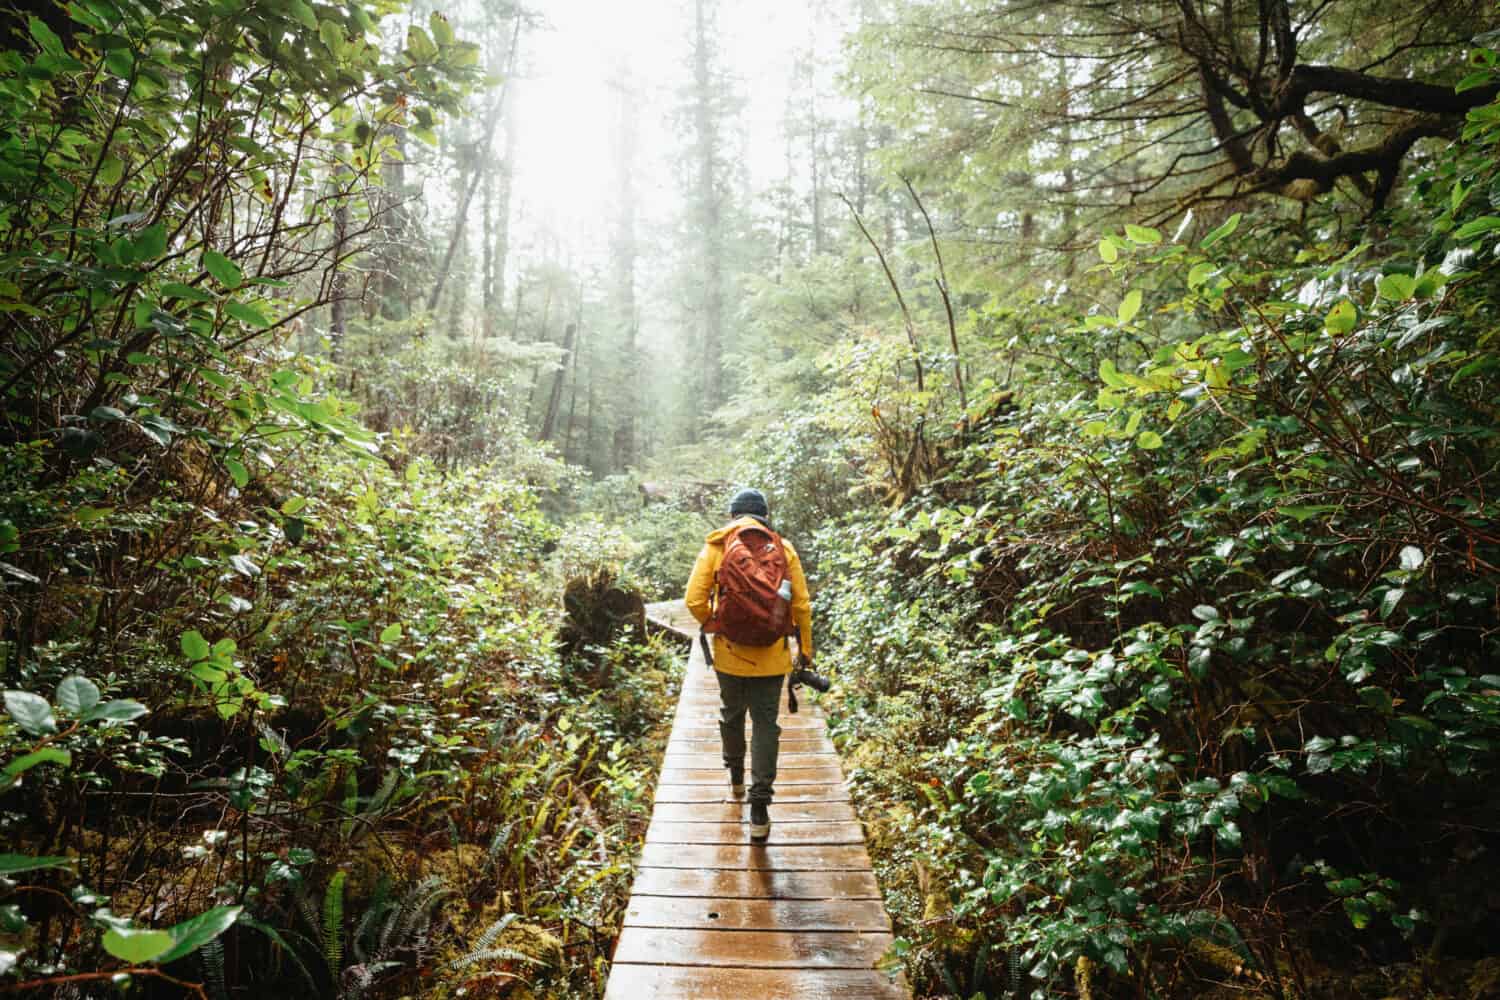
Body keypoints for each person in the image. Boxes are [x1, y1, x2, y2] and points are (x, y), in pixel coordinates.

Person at [685, 487, 813, 842]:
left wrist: (714, 621)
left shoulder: (716, 547)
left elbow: (693, 599)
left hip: (729, 652)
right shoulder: (783, 549)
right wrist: (806, 651)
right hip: (773, 657)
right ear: (764, 516)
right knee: (766, 724)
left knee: (731, 713)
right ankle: (759, 809)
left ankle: (736, 779)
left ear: (733, 516)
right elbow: (801, 606)